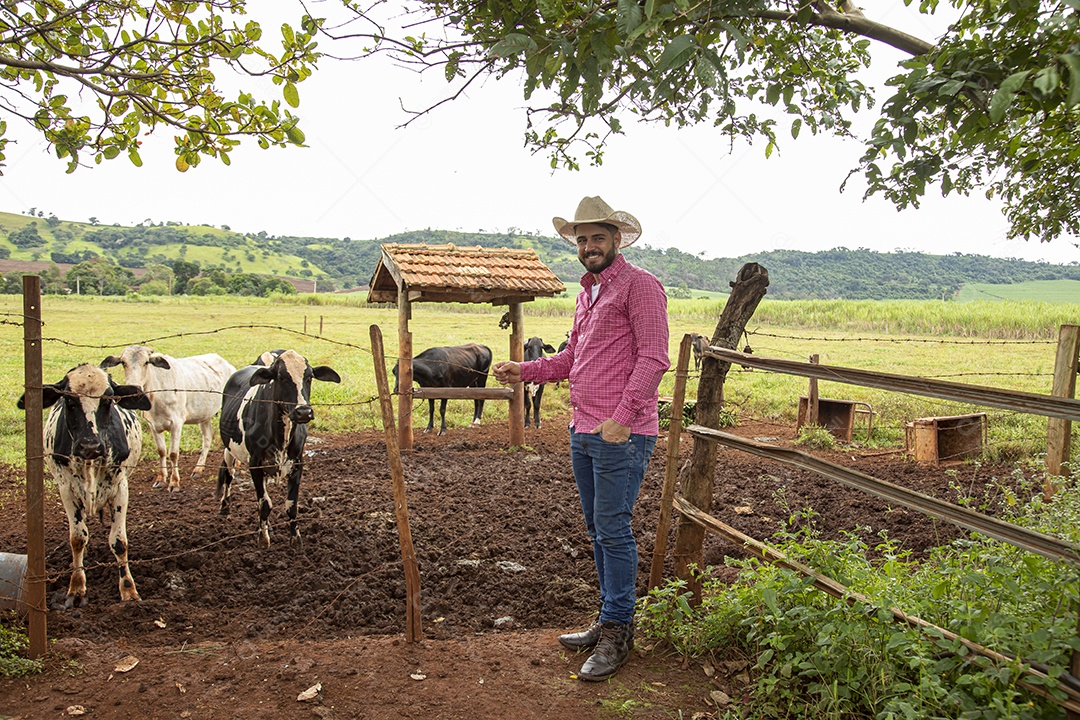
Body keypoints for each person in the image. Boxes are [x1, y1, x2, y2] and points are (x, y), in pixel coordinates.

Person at [493, 196, 669, 681]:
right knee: (598, 529)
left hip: (620, 433)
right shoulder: (586, 292)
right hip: (582, 429)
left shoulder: (641, 287)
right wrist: (525, 370)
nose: (589, 246)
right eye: (582, 239)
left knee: (613, 528)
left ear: (617, 239)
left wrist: (622, 416)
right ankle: (606, 617)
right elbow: (573, 358)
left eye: (597, 237)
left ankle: (618, 631)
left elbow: (654, 358)